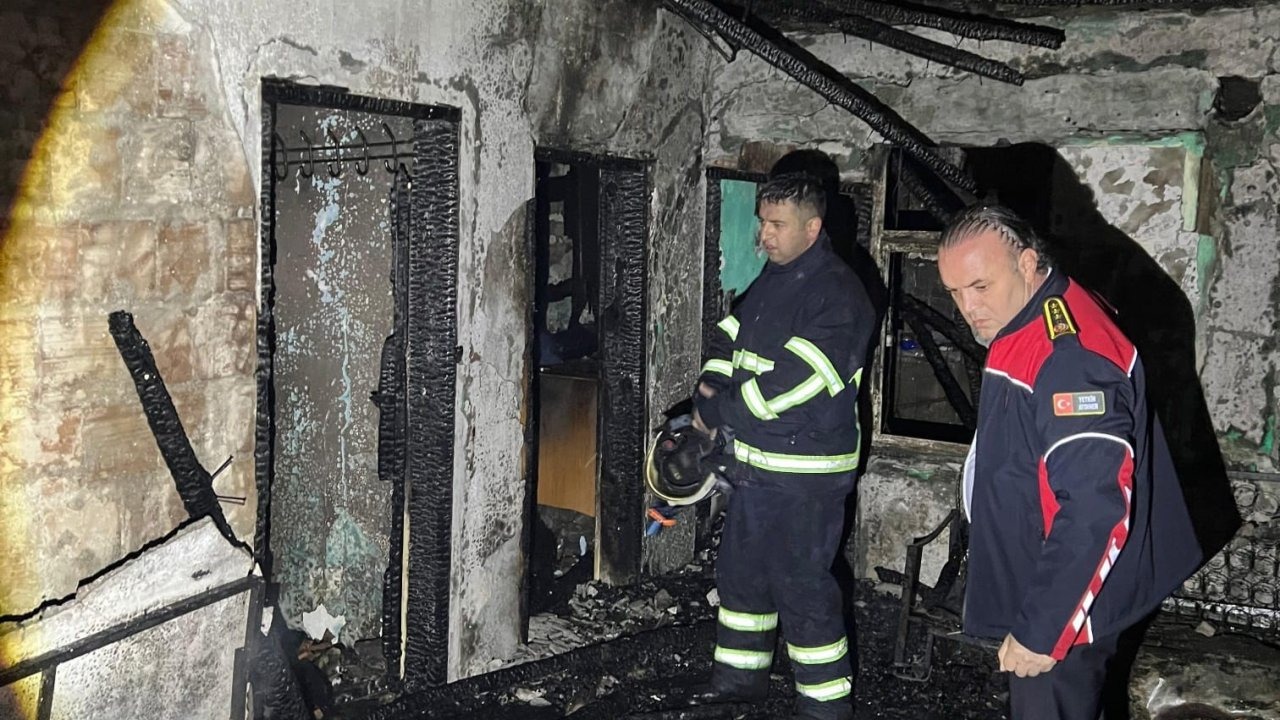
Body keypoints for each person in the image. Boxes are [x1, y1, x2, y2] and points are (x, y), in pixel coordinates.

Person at [936, 204, 1202, 720]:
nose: (968, 308)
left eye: (980, 287)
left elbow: (1094, 509)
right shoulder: (1029, 312)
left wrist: (1042, 631)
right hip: (1047, 579)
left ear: (1028, 262)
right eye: (954, 292)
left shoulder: (1068, 358)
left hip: (1066, 602)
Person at [690, 173, 874, 720]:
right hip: (755, 465)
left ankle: (823, 708)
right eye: (762, 223)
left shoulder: (839, 294)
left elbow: (796, 384)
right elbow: (730, 333)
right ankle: (739, 684)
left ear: (813, 228)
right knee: (742, 577)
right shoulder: (773, 279)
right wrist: (709, 385)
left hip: (805, 473)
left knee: (802, 591)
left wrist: (719, 411)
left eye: (777, 225)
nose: (764, 236)